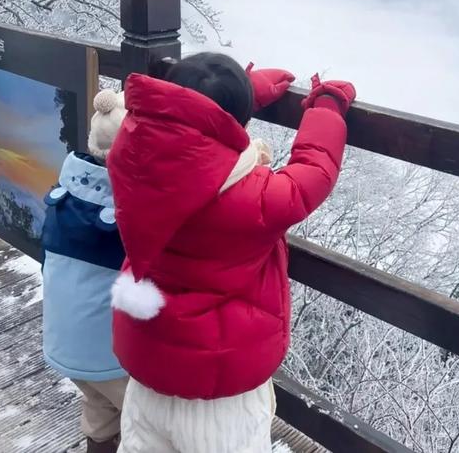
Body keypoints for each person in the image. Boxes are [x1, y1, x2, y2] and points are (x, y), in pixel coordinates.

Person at [107, 52, 355, 453]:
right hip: (223, 397)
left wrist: (240, 91)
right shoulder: (255, 197)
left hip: (150, 373)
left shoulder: (131, 156)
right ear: (233, 121)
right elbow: (315, 168)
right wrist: (327, 106)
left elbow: (177, 126)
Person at [42, 89, 129, 453]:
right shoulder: (127, 216)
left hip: (63, 344)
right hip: (109, 355)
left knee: (99, 403)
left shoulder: (67, 194)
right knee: (150, 420)